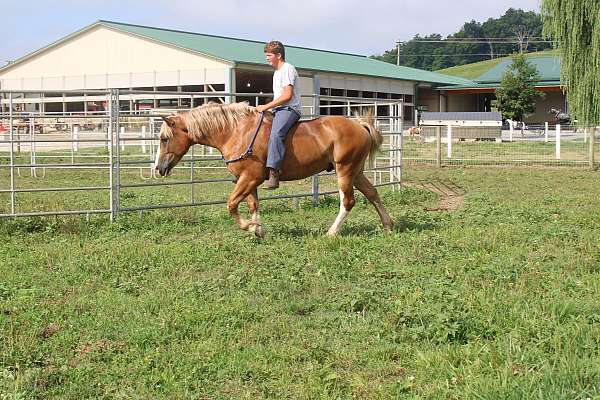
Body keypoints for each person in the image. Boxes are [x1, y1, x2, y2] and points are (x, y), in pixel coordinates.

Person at [256, 41, 302, 189]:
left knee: (276, 134)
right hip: (278, 110)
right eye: (267, 55)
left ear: (279, 55)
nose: (267, 58)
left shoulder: (287, 69)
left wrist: (266, 106)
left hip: (289, 109)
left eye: (269, 55)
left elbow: (287, 95)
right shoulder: (277, 72)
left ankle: (274, 173)